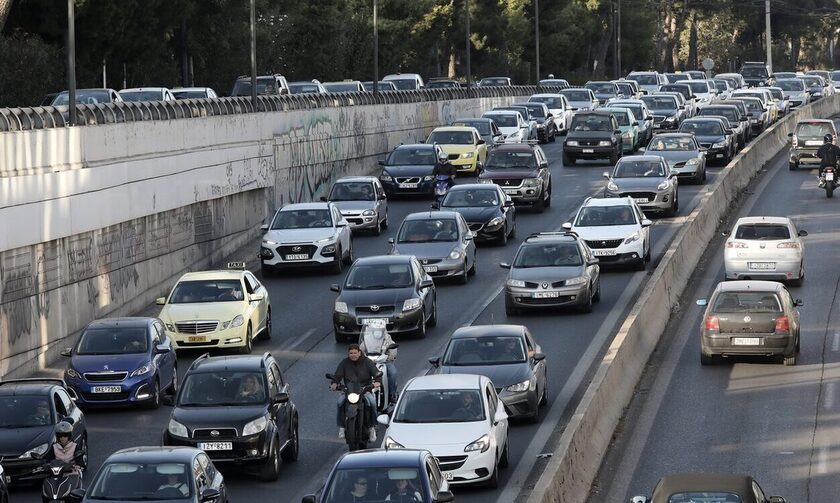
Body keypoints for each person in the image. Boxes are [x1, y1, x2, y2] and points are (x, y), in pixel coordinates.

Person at [331, 344, 382, 442]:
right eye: (351, 353)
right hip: (349, 391)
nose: (353, 355)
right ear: (348, 354)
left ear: (359, 353)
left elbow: (376, 373)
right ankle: (342, 426)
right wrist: (334, 383)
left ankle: (372, 427)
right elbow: (338, 375)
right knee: (340, 402)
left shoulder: (367, 362)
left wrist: (377, 381)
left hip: (364, 390)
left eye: (355, 353)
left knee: (372, 403)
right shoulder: (344, 363)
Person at [358, 323, 398, 405]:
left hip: (384, 361)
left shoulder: (387, 338)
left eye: (379, 331)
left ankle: (392, 394)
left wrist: (390, 356)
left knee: (393, 373)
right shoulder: (367, 339)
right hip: (369, 362)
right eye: (376, 331)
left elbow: (392, 348)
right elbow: (361, 349)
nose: (377, 332)